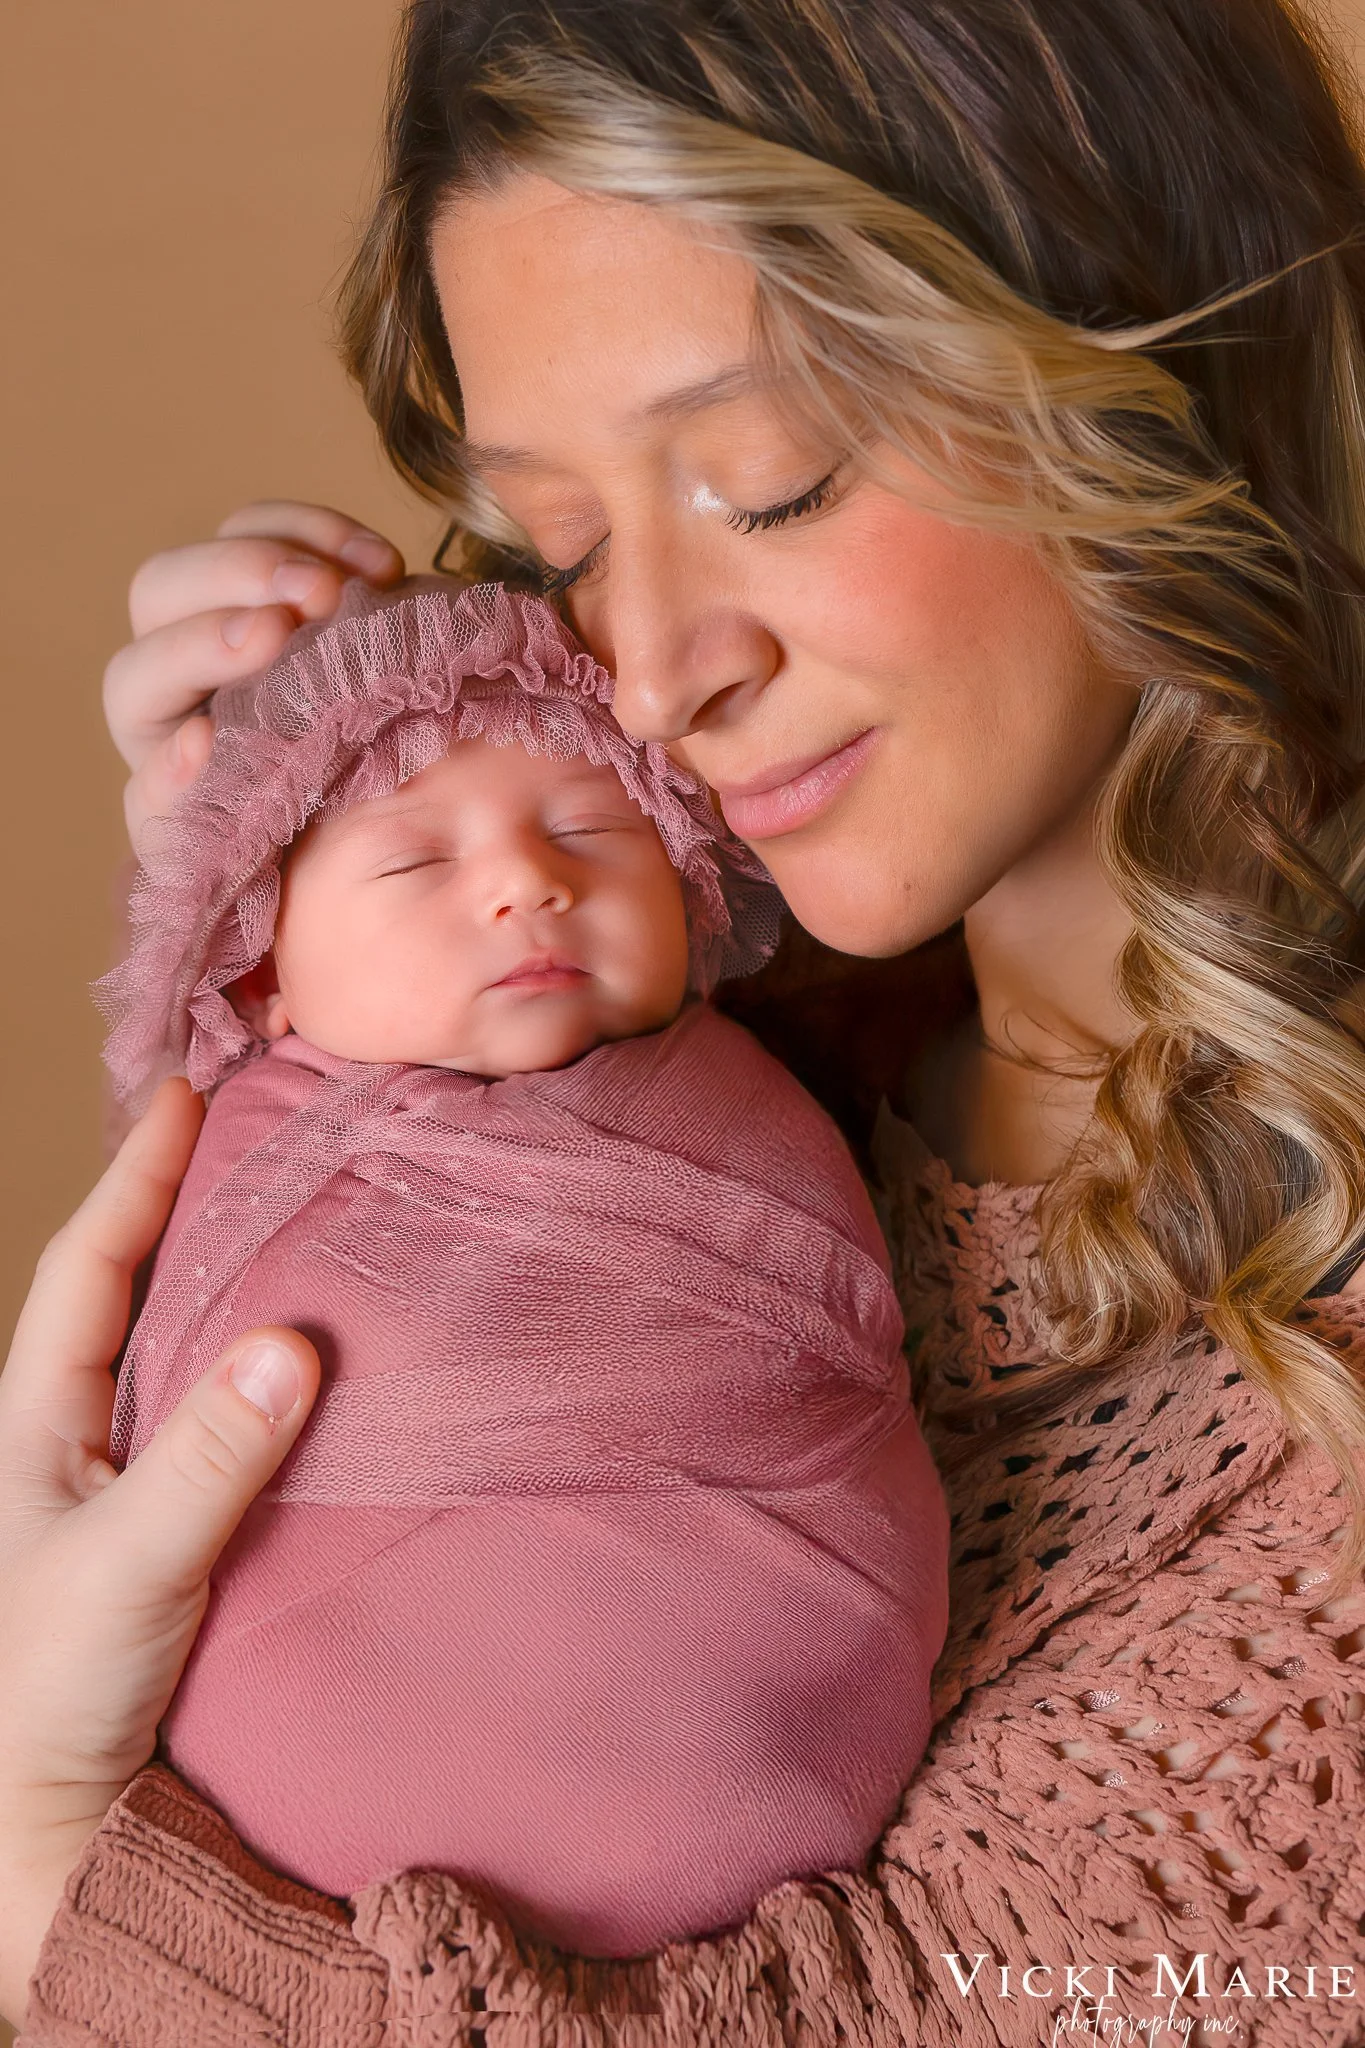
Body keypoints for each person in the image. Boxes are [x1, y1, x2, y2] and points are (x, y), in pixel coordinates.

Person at [5, 0, 1365, 2040]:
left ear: (1159, 364)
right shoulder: (734, 1046)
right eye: (565, 545)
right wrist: (320, 940)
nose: (648, 676)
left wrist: (44, 1868)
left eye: (768, 481)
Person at [99, 573, 947, 1956]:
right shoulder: (255, 1137)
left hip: (769, 1731)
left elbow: (834, 1369)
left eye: (589, 828)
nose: (528, 880)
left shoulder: (759, 1094)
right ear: (262, 981)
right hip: (317, 1801)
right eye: (416, 859)